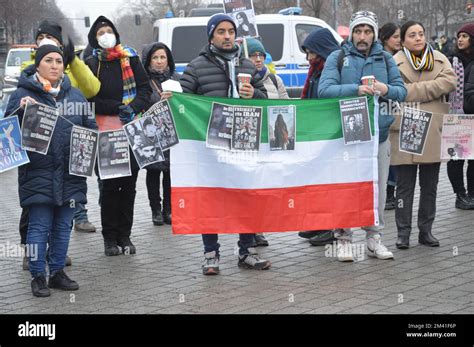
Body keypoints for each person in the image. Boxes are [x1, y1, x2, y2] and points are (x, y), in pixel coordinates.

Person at [180, 13, 269, 275]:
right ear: (211, 36)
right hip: (211, 145)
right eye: (221, 31)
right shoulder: (196, 66)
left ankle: (247, 250)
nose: (227, 35)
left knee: (247, 195)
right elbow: (184, 100)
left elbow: (267, 99)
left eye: (231, 31)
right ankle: (211, 254)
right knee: (211, 197)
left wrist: (255, 94)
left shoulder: (247, 65)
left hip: (245, 142)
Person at [5, 44, 97, 297]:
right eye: (49, 60)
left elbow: (90, 127)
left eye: (59, 61)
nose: (55, 65)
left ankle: (57, 272)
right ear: (38, 65)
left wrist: (93, 143)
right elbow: (7, 130)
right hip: (38, 173)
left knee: (63, 226)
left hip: (70, 174)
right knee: (38, 227)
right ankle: (37, 276)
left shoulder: (76, 96)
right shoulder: (22, 94)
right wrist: (19, 110)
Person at [319, 10, 407, 261]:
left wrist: (384, 88)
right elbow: (324, 90)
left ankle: (373, 238)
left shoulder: (386, 58)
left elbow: (402, 91)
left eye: (367, 31)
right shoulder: (337, 56)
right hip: (345, 136)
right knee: (346, 187)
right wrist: (355, 89)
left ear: (374, 34)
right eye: (358, 31)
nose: (362, 36)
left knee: (376, 189)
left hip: (377, 136)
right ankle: (344, 238)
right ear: (352, 34)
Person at [20, 20, 101, 235]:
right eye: (40, 38)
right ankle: (31, 251)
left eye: (51, 38)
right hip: (39, 154)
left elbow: (92, 88)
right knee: (36, 207)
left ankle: (61, 246)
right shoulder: (28, 68)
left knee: (68, 198)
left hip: (67, 146)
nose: (45, 41)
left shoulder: (67, 66)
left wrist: (72, 60)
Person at [85, 16, 151, 256]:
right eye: (101, 31)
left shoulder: (130, 58)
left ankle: (126, 235)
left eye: (109, 30)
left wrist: (133, 107)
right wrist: (115, 107)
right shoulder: (92, 64)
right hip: (106, 134)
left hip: (132, 130)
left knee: (129, 185)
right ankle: (110, 238)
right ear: (94, 38)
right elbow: (88, 100)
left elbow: (145, 88)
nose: (106, 34)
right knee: (110, 186)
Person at [391, 21, 456, 249]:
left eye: (421, 33)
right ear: (403, 40)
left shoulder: (440, 58)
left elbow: (449, 82)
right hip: (406, 128)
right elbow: (393, 90)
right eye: (412, 35)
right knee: (404, 186)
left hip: (433, 130)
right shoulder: (393, 62)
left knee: (430, 185)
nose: (418, 38)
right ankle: (403, 233)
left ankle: (426, 231)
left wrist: (413, 92)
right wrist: (431, 89)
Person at [297, 27, 340, 246]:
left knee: (329, 182)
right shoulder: (315, 69)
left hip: (330, 133)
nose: (308, 57)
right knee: (317, 181)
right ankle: (319, 223)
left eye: (310, 52)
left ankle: (330, 228)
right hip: (316, 132)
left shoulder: (333, 69)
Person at [141, 42, 179, 226]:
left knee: (171, 173)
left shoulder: (177, 79)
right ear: (149, 61)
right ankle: (155, 210)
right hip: (151, 133)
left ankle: (169, 210)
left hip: (173, 132)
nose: (159, 61)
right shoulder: (144, 81)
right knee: (154, 173)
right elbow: (140, 104)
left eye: (162, 57)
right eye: (155, 57)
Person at [447, 23, 474, 210]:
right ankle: (460, 194)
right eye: (459, 36)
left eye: (465, 36)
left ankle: (472, 193)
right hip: (457, 115)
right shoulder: (452, 61)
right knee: (456, 158)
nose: (460, 40)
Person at [379, 22, 401, 210]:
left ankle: (393, 194)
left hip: (399, 110)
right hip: (384, 113)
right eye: (395, 36)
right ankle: (387, 195)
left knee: (396, 157)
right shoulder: (380, 59)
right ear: (385, 38)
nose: (399, 40)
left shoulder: (402, 57)